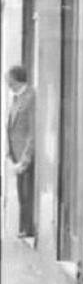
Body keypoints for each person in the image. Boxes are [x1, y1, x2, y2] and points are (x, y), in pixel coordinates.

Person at [6, 65, 35, 237]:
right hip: (16, 153)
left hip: (25, 154)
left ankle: (27, 227)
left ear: (16, 79)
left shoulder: (30, 97)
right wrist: (10, 151)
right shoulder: (16, 97)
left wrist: (26, 158)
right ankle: (24, 226)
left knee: (26, 192)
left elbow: (33, 130)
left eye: (8, 79)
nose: (6, 82)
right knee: (21, 193)